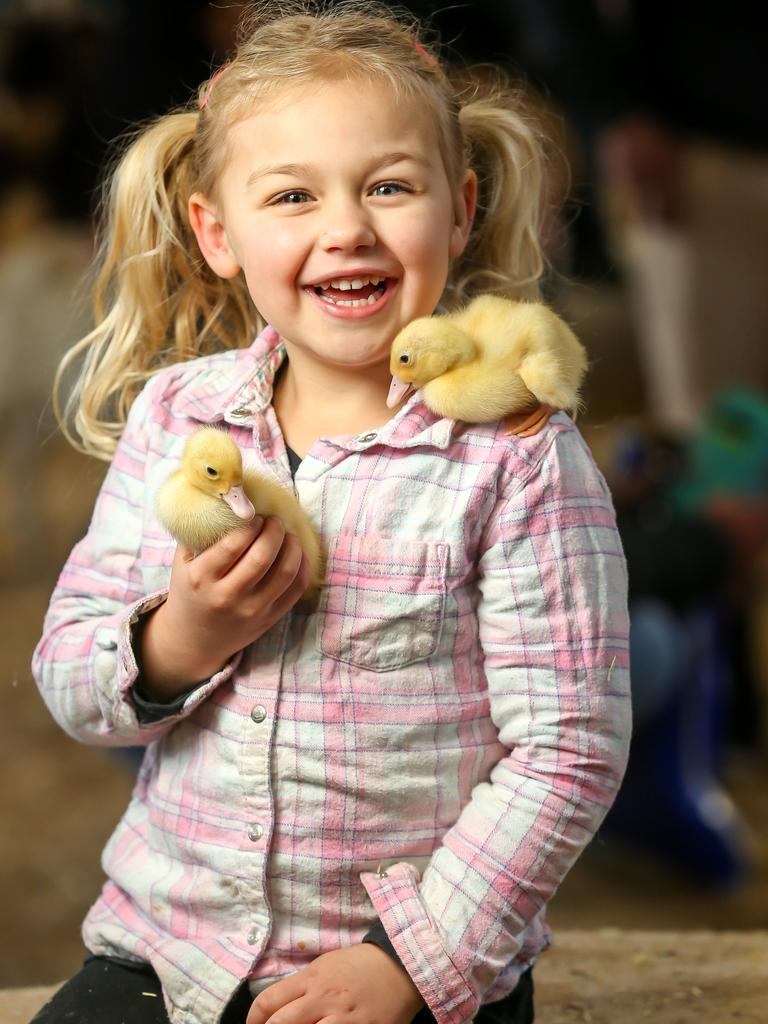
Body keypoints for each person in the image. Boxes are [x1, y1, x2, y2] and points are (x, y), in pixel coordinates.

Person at [31, 3, 631, 1022]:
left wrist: (409, 962)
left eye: (389, 186)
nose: (345, 227)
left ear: (461, 207)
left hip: (413, 969)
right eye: (293, 196)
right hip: (167, 950)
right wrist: (182, 637)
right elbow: (70, 676)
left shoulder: (518, 453)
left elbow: (569, 745)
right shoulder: (181, 415)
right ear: (217, 234)